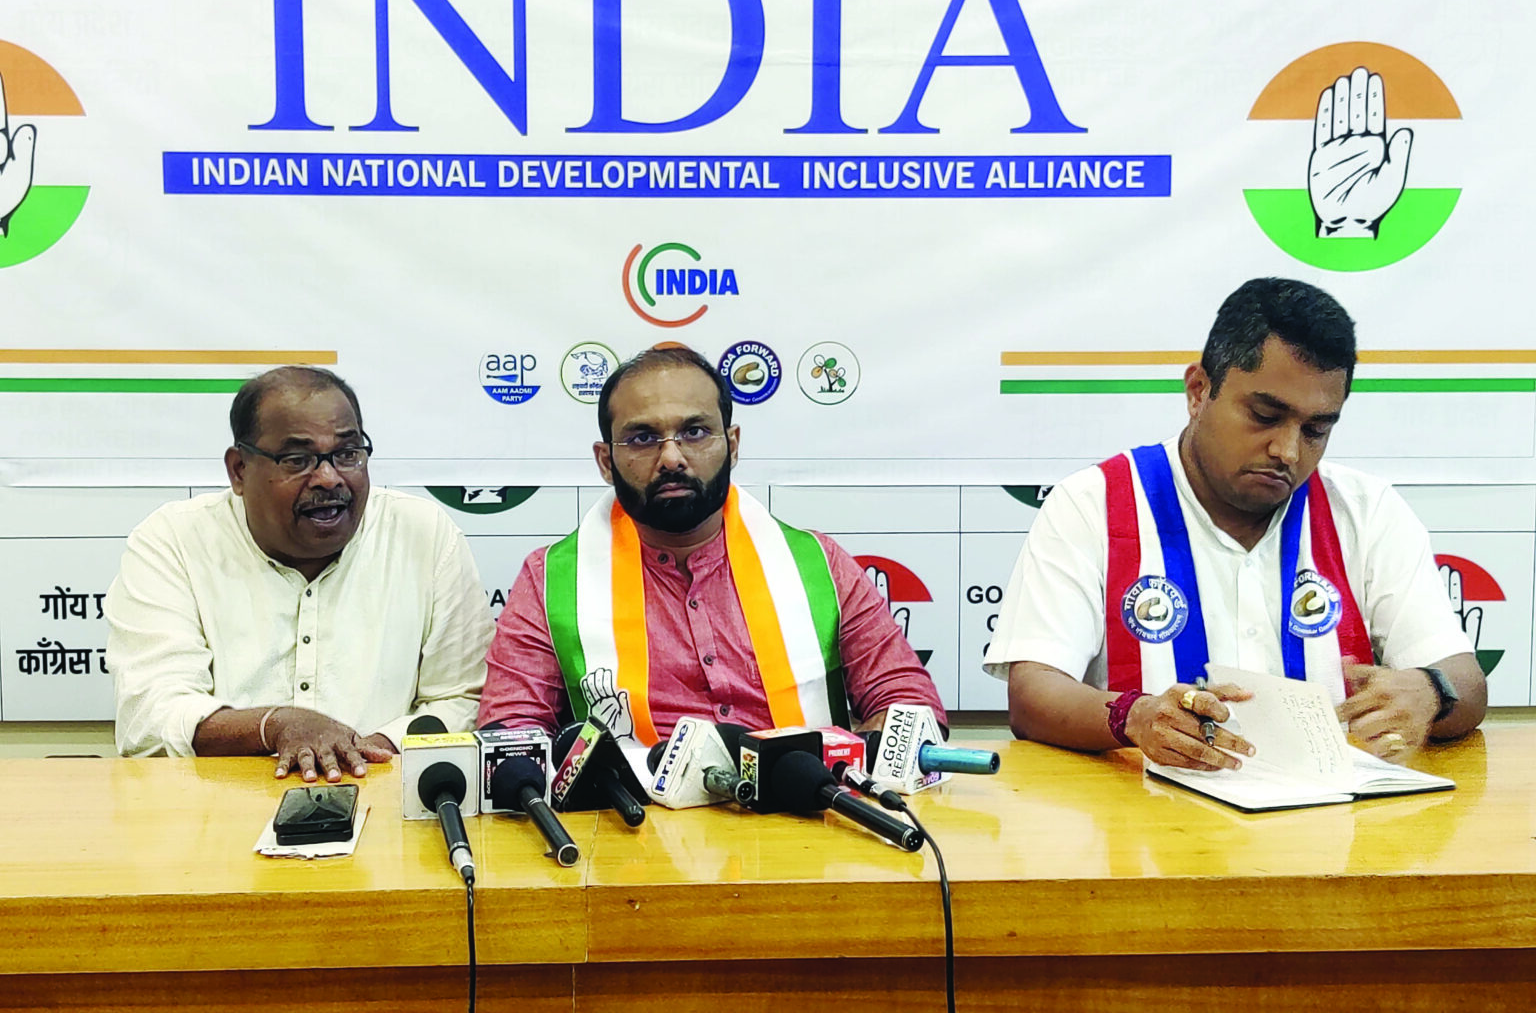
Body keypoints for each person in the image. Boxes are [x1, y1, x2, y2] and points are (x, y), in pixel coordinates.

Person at [984, 278, 1486, 769]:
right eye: (1265, 416)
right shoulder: (1092, 504)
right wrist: (1134, 717)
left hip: (1335, 818)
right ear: (1198, 391)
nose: (1287, 451)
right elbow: (1033, 695)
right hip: (1145, 817)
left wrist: (1430, 691)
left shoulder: (1367, 510)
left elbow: (1466, 681)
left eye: (1315, 430)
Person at [477, 345, 944, 751]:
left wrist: (879, 744)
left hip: (808, 809)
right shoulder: (551, 579)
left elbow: (910, 702)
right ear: (605, 461)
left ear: (732, 445)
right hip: (632, 816)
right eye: (643, 438)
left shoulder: (818, 564)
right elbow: (509, 731)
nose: (671, 458)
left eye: (695, 432)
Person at [105, 367, 494, 781]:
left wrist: (361, 752)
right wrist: (274, 727)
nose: (328, 478)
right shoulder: (173, 541)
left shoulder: (424, 535)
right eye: (298, 460)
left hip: (382, 794)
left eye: (348, 454)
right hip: (217, 806)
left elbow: (462, 699)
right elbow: (150, 716)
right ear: (239, 470)